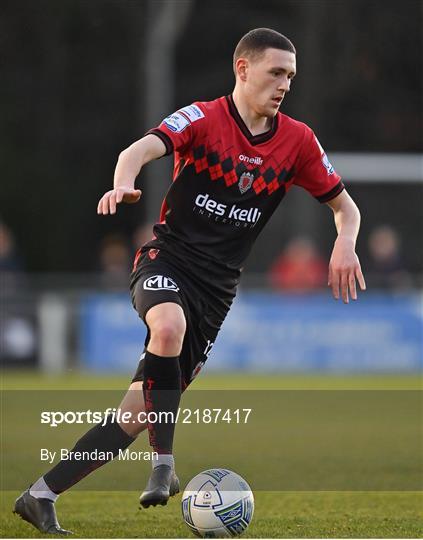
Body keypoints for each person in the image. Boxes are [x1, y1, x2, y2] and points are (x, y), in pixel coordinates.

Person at [13, 28, 366, 535]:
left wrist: (345, 241)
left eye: (290, 75)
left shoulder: (298, 141)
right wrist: (123, 183)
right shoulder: (202, 117)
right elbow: (137, 151)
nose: (285, 83)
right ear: (243, 69)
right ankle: (165, 463)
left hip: (216, 292)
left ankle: (41, 495)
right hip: (166, 260)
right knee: (167, 326)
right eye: (275, 72)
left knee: (133, 415)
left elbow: (345, 208)